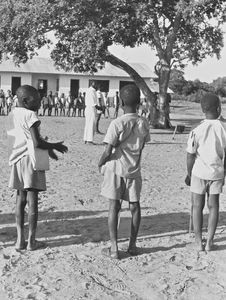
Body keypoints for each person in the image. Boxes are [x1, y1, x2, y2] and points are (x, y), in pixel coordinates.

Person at [6, 85, 68, 251]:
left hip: (17, 159)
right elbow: (36, 142)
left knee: (20, 199)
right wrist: (54, 146)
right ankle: (32, 241)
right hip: (31, 161)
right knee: (33, 200)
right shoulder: (31, 114)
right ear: (26, 101)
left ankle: (19, 239)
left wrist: (48, 149)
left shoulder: (12, 113)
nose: (40, 102)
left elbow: (19, 137)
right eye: (37, 99)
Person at [98, 84, 150, 259]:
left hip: (116, 168)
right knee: (135, 206)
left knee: (114, 206)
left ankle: (114, 247)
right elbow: (142, 145)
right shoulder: (143, 122)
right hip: (134, 169)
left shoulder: (117, 123)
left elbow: (107, 151)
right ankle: (133, 245)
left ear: (120, 102)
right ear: (139, 103)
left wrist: (100, 163)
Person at [185, 93, 226, 252]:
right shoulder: (224, 127)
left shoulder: (197, 129)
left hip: (199, 172)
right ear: (219, 108)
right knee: (214, 206)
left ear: (202, 109)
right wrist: (224, 174)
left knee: (197, 206)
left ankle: (198, 242)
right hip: (217, 172)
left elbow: (190, 155)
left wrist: (189, 174)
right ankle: (209, 242)